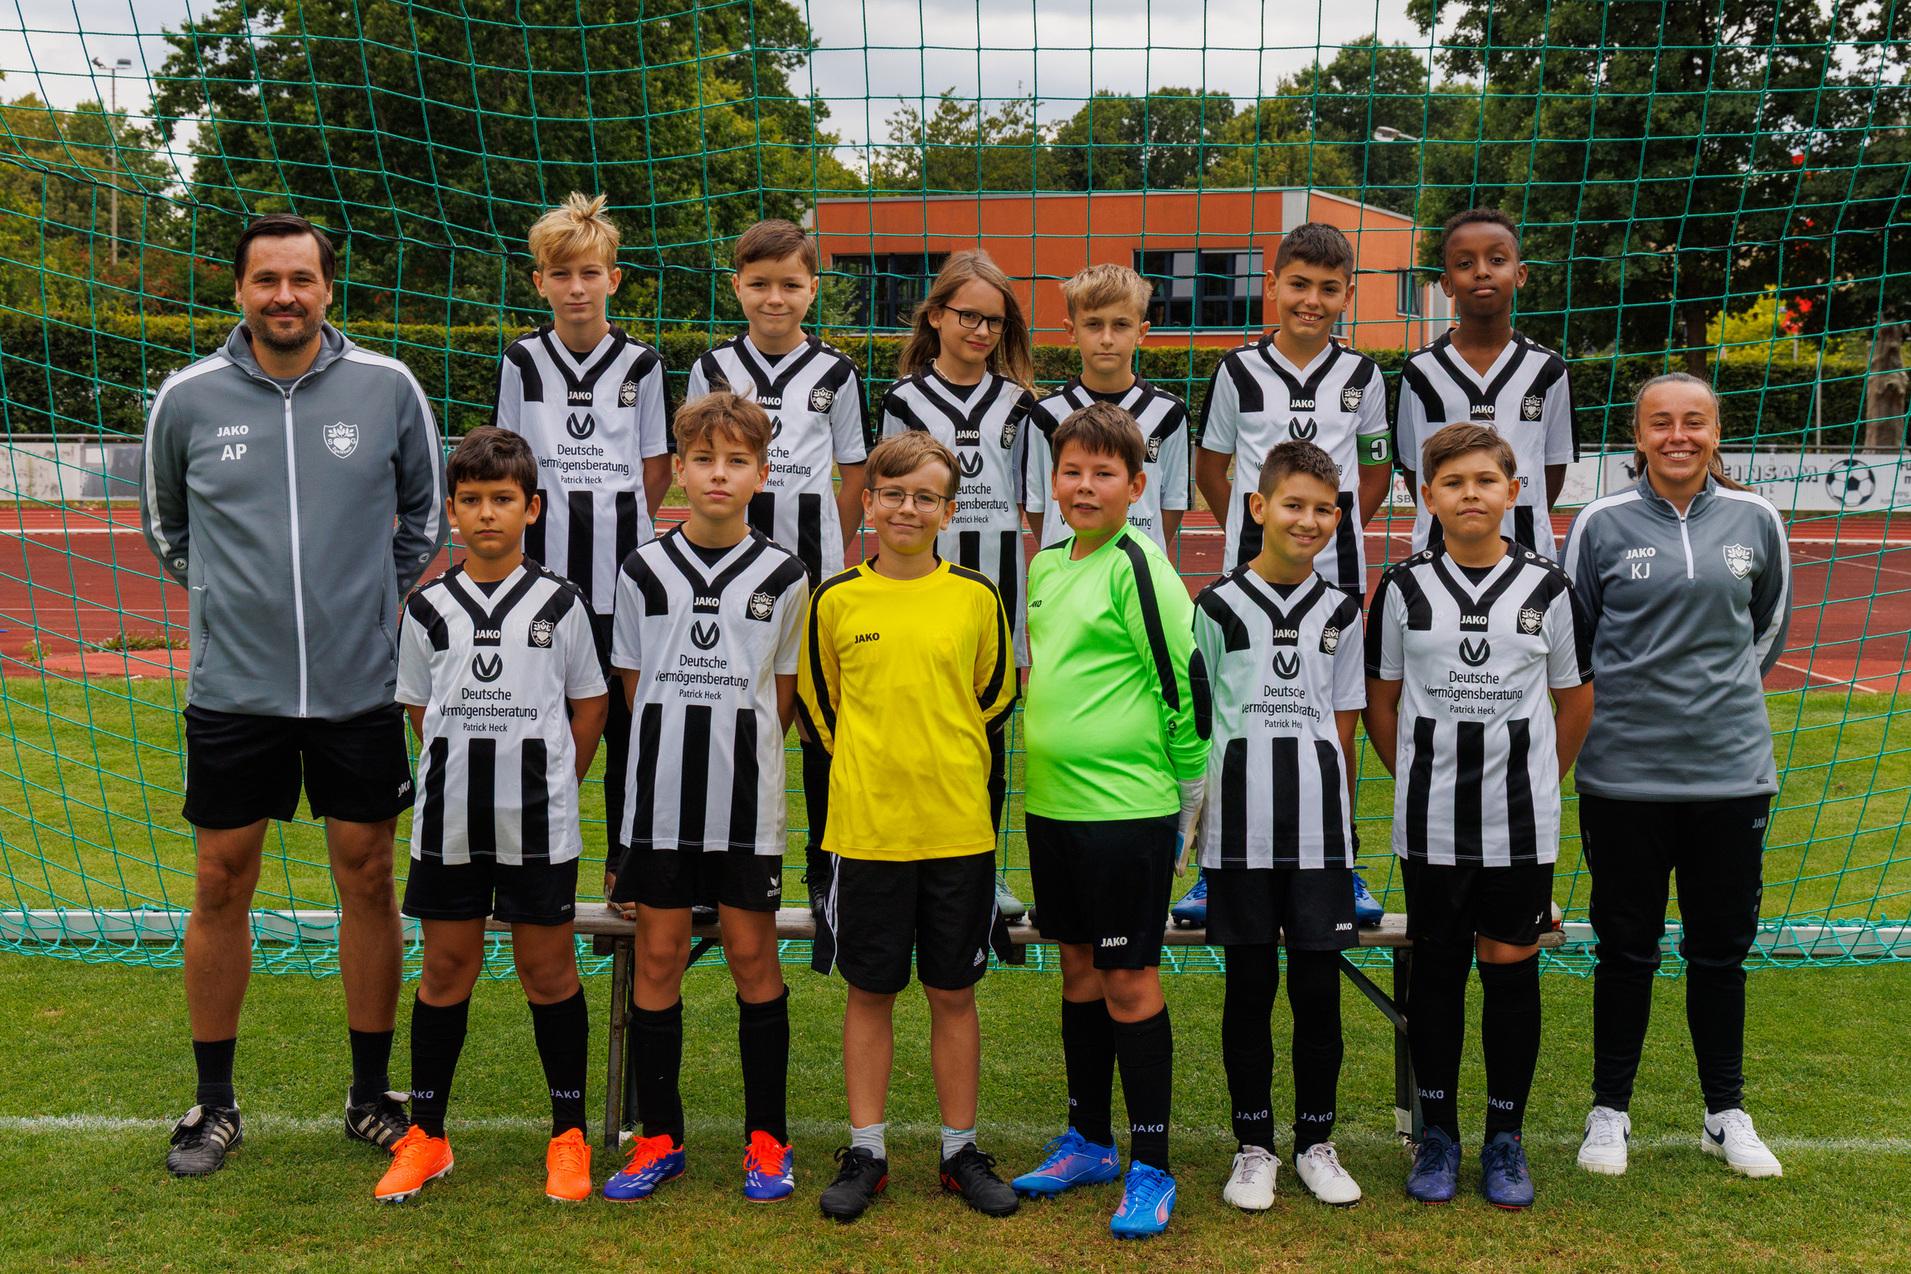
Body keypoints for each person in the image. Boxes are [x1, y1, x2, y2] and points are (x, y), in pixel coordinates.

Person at [141, 212, 448, 1176]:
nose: (285, 296)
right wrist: (235, 602)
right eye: (266, 280)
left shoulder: (388, 387)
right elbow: (167, 529)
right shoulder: (187, 397)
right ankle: (214, 1101)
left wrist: (367, 602)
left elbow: (424, 515)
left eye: (301, 279)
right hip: (235, 690)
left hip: (359, 686)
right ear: (239, 290)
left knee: (368, 876)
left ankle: (369, 1096)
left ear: (327, 289)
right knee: (220, 881)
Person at [1561, 373, 1792, 1179]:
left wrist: (1710, 702)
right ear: (1638, 435)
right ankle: (1608, 1111)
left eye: (1693, 421)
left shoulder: (1757, 520)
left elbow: (1766, 629)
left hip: (1730, 774)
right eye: (1660, 422)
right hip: (1622, 777)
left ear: (1715, 432)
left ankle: (1724, 1113)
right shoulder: (1599, 523)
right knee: (1625, 951)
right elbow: (1575, 640)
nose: (1677, 436)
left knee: (1717, 953)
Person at [373, 428, 609, 1204]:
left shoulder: (560, 603)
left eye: (502, 499)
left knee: (548, 972)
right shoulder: (428, 607)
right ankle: (428, 1136)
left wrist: (555, 779)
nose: (486, 513)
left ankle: (568, 1136)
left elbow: (589, 704)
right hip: (449, 823)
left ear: (531, 508)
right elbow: (419, 707)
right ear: (450, 511)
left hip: (538, 823)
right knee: (445, 970)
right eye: (470, 500)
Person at [1364, 423, 1593, 1210]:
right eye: (1454, 482)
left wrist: (1538, 779)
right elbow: (1381, 702)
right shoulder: (1401, 588)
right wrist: (1414, 775)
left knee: (1508, 970)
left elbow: (1574, 701)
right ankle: (1439, 1135)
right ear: (1426, 496)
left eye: (1485, 481)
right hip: (1430, 822)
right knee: (1436, 973)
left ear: (1512, 492)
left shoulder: (1547, 588)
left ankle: (1504, 1138)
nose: (1470, 494)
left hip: (1519, 824)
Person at [796, 431, 1021, 1223]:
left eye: (925, 496)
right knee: (870, 992)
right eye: (892, 493)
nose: (906, 508)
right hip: (867, 833)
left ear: (948, 511)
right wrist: (880, 761)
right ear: (868, 501)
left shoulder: (977, 597)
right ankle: (867, 1151)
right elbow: (819, 710)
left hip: (957, 831)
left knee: (952, 993)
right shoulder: (835, 599)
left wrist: (937, 756)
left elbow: (994, 697)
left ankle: (960, 1152)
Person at [602, 393, 810, 1203]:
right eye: (702, 460)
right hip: (658, 804)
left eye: (736, 461)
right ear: (679, 472)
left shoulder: (785, 575)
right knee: (657, 958)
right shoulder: (641, 569)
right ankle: (660, 1138)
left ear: (761, 474)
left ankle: (767, 1139)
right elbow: (632, 687)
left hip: (745, 806)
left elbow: (780, 696)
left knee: (753, 959)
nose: (718, 475)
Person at [1010, 402, 1210, 1239]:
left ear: (1136, 485)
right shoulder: (1046, 565)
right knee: (1078, 973)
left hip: (1128, 811)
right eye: (1071, 471)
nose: (1084, 486)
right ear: (1052, 482)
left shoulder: (1140, 565)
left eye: (1103, 473)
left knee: (1129, 980)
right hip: (1053, 807)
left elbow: (1184, 680)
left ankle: (1151, 1165)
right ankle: (1089, 1141)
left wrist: (1189, 797)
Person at [1187, 221, 1393, 931]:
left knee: (1332, 719)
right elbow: (1212, 466)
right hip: (1249, 580)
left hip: (1335, 581)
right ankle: (1215, 866)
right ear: (1272, 285)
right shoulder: (1236, 371)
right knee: (1232, 714)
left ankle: (1341, 858)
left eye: (1328, 289)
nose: (1312, 300)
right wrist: (1259, 537)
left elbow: (1374, 471)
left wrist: (1324, 531)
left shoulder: (1363, 376)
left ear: (1347, 295)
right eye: (1298, 284)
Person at [1192, 440, 1367, 1211]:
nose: (1308, 520)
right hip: (1238, 832)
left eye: (1323, 509)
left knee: (1318, 991)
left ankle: (1315, 1142)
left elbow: (1344, 724)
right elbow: (1197, 721)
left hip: (1319, 837)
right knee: (1250, 988)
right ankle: (1253, 1145)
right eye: (1293, 504)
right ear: (1258, 507)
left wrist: (1346, 832)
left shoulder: (1342, 610)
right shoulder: (1216, 606)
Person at [686, 218, 869, 926]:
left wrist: (829, 549)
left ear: (812, 289)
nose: (774, 298)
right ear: (736, 287)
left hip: (812, 578)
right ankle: (714, 863)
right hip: (727, 579)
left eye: (789, 285)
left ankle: (824, 869)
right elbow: (699, 459)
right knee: (728, 713)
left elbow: (853, 472)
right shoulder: (712, 368)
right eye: (759, 284)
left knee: (822, 726)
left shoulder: (836, 372)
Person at [493, 192, 669, 915]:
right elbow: (508, 464)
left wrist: (623, 531)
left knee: (628, 725)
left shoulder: (643, 364)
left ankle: (624, 864)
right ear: (539, 281)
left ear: (613, 280)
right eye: (561, 275)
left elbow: (654, 466)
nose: (576, 288)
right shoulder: (521, 361)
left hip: (621, 582)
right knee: (533, 718)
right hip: (540, 583)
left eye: (589, 273)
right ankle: (525, 851)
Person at [878, 250, 1039, 919]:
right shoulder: (904, 400)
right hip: (920, 592)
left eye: (994, 321)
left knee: (986, 737)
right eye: (968, 316)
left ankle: (982, 872)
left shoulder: (1021, 403)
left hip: (996, 595)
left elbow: (1033, 503)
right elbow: (889, 499)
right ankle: (906, 864)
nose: (980, 330)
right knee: (914, 731)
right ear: (937, 315)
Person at [1394, 208, 1576, 558]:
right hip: (1440, 556)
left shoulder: (1548, 369)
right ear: (1446, 282)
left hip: (1527, 554)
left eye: (1496, 260)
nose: (1481, 271)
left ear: (1520, 274)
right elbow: (1414, 469)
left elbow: (1552, 469)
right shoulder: (1420, 370)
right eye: (1464, 264)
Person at [1024, 263, 1190, 556]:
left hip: (1136, 569)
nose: (1107, 338)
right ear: (1071, 330)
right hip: (1068, 570)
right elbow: (1037, 507)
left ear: (1141, 332)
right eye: (1093, 324)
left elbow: (1172, 504)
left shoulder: (1169, 412)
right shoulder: (1045, 414)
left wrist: (1143, 554)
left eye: (1121, 325)